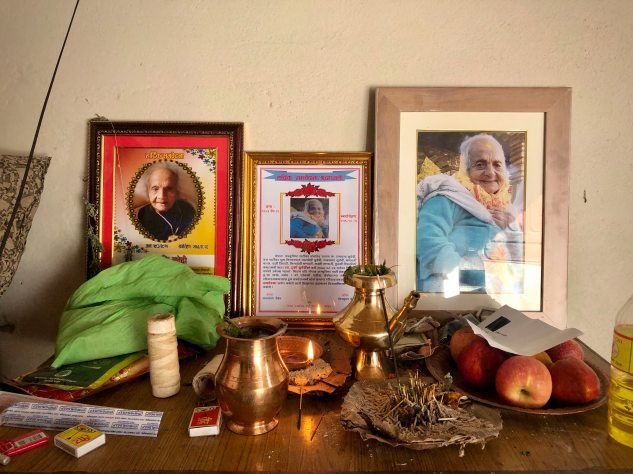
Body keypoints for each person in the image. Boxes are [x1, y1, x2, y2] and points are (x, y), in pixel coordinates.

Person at [416, 134, 523, 294]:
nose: (490, 173)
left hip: (497, 293)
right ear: (465, 170)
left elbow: (519, 262)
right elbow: (428, 241)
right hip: (452, 292)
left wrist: (511, 229)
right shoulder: (446, 196)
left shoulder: (507, 210)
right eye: (480, 165)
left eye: (497, 165)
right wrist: (473, 275)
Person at [136, 164, 196, 241]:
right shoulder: (142, 214)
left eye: (169, 188)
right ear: (148, 192)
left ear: (176, 191)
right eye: (155, 189)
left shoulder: (187, 208)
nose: (161, 196)